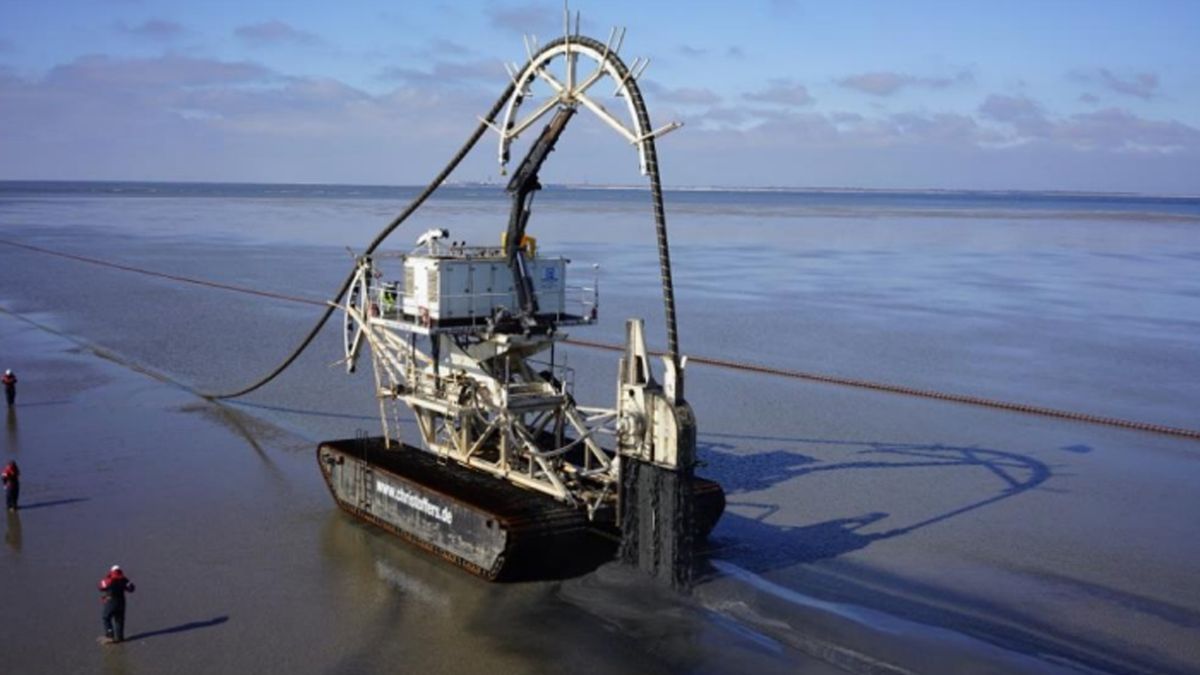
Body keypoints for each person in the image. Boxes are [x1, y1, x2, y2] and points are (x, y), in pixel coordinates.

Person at [99, 565, 136, 644]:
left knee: (106, 617)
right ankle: (120, 637)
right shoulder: (124, 579)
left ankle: (110, 635)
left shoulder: (109, 579)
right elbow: (132, 588)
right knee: (119, 620)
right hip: (121, 602)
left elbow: (100, 587)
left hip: (111, 601)